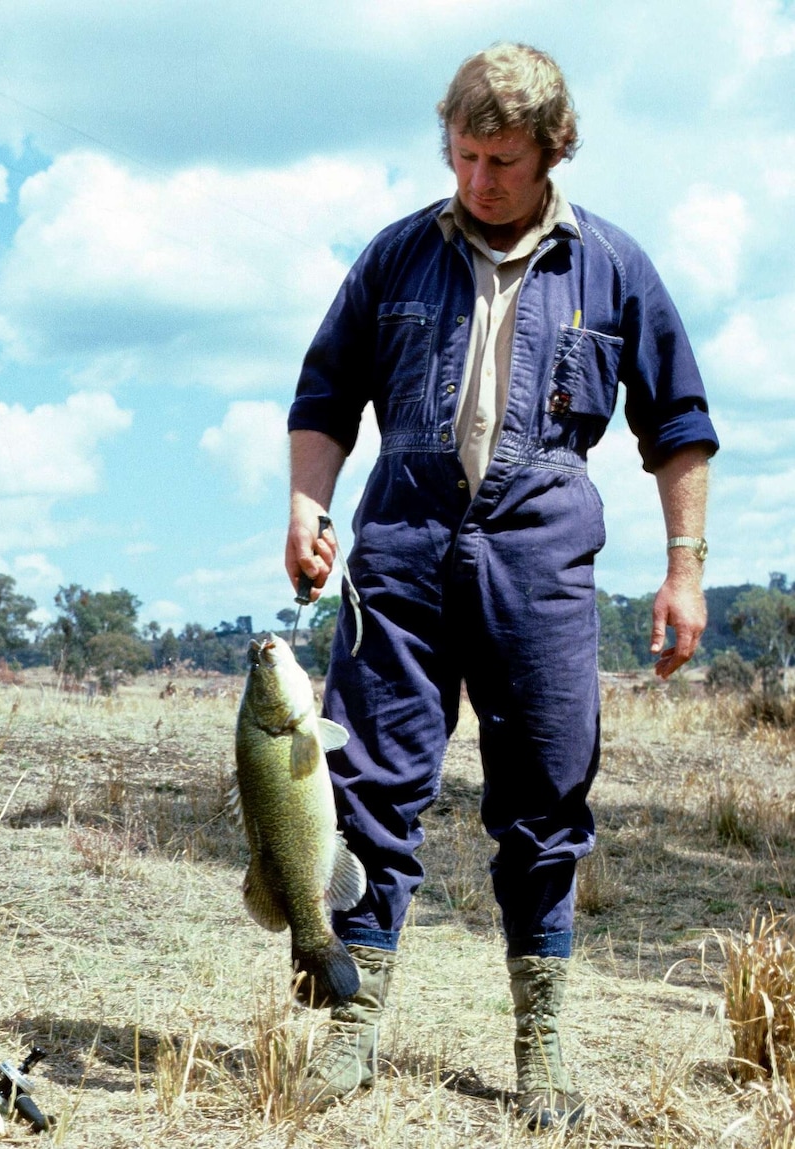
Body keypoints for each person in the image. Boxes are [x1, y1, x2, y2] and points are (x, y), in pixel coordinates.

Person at [285, 42, 718, 1128]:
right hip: (403, 547)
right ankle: (352, 1023)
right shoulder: (393, 259)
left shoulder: (612, 267)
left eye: (503, 160)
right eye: (465, 155)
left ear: (551, 152)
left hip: (539, 555)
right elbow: (325, 395)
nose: (480, 179)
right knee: (369, 784)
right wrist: (307, 505)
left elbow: (677, 429)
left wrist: (684, 572)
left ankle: (542, 1038)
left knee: (544, 797)